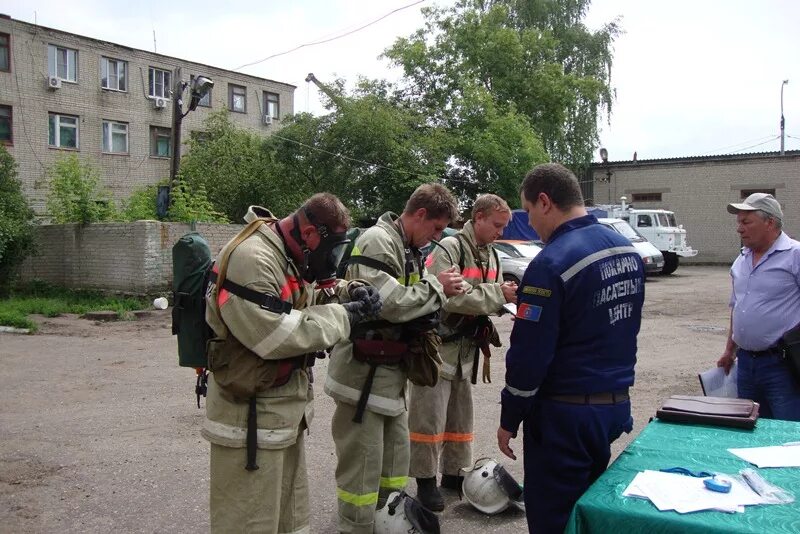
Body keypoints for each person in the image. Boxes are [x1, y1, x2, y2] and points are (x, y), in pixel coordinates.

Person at [202, 194, 382, 534]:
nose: (332, 260)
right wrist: (344, 317)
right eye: (332, 249)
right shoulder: (252, 259)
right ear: (311, 233)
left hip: (280, 415)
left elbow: (300, 299)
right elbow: (275, 334)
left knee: (289, 519)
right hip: (249, 424)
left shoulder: (283, 252)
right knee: (249, 523)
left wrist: (350, 291)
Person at [496, 163, 645, 534]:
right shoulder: (625, 250)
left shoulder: (550, 263)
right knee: (588, 516)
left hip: (565, 417)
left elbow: (530, 356)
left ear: (544, 202)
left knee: (554, 520)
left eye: (528, 211)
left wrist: (509, 416)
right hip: (611, 407)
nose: (529, 223)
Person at [324, 183, 464, 533]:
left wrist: (432, 296)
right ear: (419, 215)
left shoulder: (407, 246)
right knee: (363, 468)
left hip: (389, 379)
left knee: (394, 463)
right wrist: (437, 288)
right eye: (435, 228)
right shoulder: (377, 241)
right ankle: (356, 528)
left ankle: (386, 524)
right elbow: (392, 304)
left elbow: (414, 306)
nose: (435, 238)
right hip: (362, 380)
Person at [408, 194, 518, 511]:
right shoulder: (449, 248)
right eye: (496, 225)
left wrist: (501, 303)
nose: (500, 231)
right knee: (427, 419)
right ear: (479, 217)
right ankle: (425, 481)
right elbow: (450, 297)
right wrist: (498, 295)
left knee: (459, 419)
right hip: (436, 350)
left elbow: (486, 300)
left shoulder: (493, 255)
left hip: (464, 352)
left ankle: (454, 476)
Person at [717, 192, 800, 421]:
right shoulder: (741, 258)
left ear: (769, 222)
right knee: (749, 431)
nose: (739, 228)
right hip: (745, 365)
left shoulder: (794, 255)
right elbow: (738, 307)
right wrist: (729, 350)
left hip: (781, 365)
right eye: (738, 222)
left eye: (746, 222)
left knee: (786, 435)